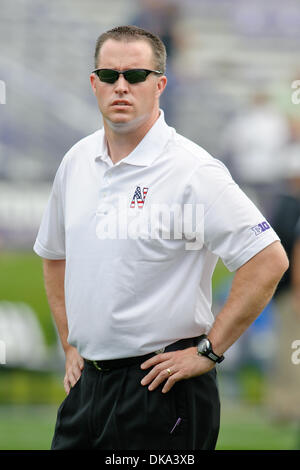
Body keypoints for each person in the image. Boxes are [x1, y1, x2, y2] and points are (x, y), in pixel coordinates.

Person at [33, 25, 288, 450]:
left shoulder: (193, 170)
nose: (121, 87)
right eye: (109, 75)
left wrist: (208, 351)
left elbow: (268, 259)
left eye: (134, 76)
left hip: (161, 388)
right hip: (87, 387)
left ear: (160, 85)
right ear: (93, 83)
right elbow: (53, 254)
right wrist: (69, 343)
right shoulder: (76, 161)